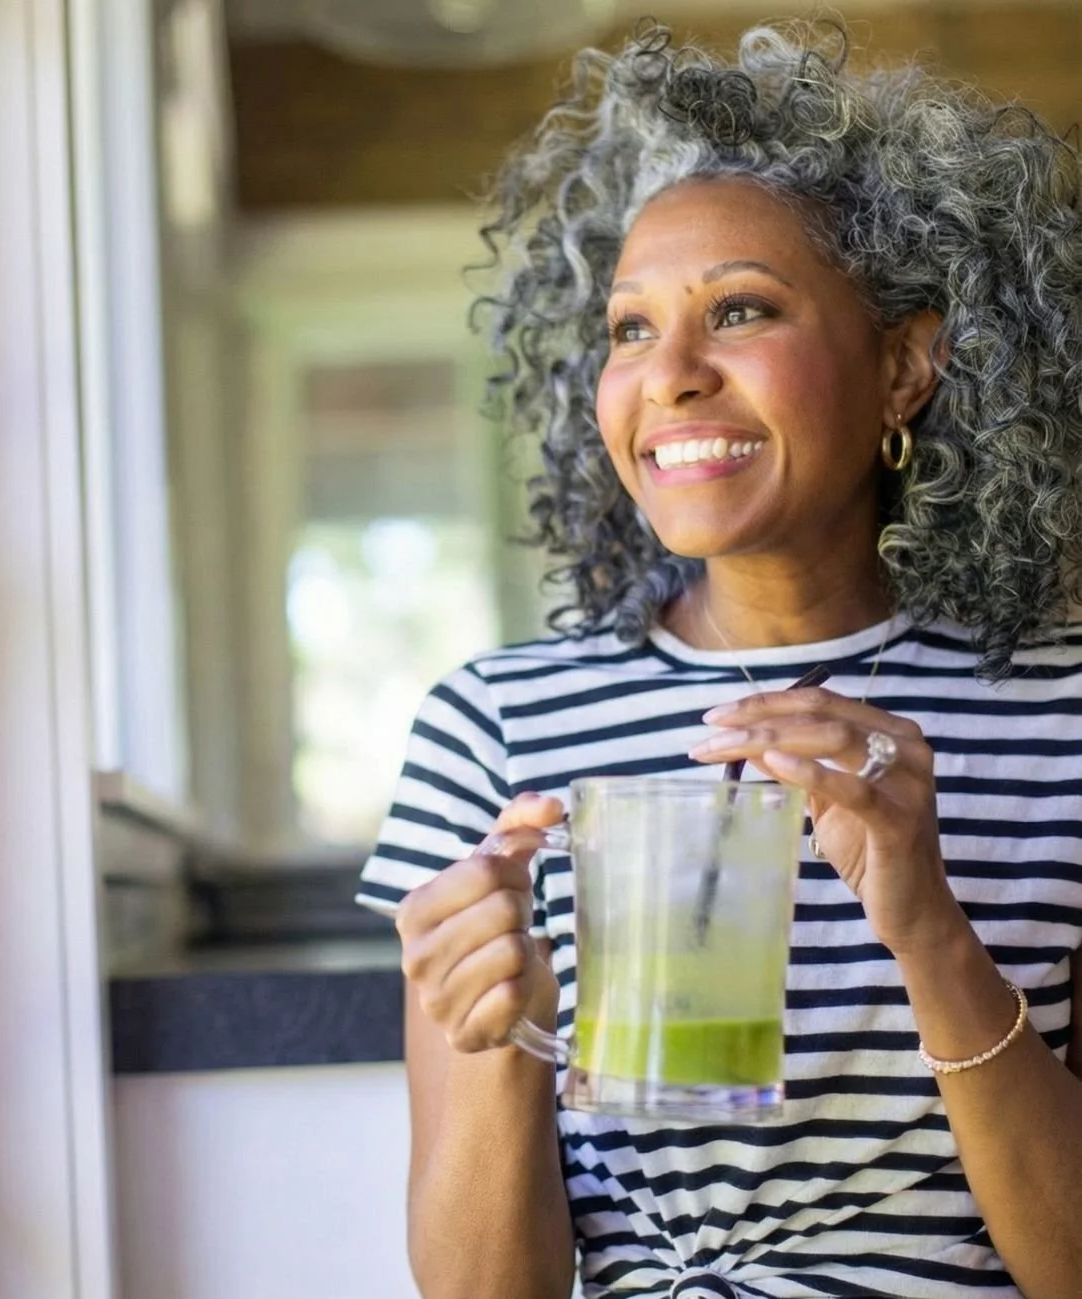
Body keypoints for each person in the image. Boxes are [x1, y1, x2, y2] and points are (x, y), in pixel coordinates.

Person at [356, 18, 1082, 1299]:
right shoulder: (498, 727)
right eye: (631, 331)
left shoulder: (1062, 715)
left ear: (904, 366)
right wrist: (502, 1038)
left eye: (738, 310)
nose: (670, 376)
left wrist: (928, 929)